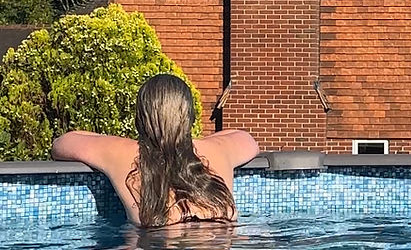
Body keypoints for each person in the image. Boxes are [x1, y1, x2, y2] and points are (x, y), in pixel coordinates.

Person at [52, 74, 259, 228]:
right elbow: (247, 139)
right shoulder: (216, 150)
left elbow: (62, 143)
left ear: (140, 118)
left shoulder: (122, 153)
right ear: (189, 116)